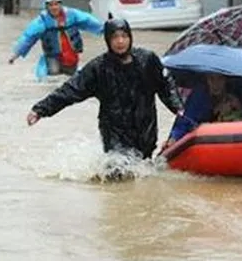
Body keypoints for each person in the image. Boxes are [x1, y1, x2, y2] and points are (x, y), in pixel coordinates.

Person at [26, 17, 183, 161]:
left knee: (143, 171)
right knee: (117, 170)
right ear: (108, 40)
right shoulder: (98, 68)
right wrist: (41, 109)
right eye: (115, 37)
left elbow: (166, 85)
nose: (120, 41)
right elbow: (70, 90)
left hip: (145, 129)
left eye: (124, 36)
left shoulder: (148, 60)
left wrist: (178, 107)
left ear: (130, 37)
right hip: (114, 132)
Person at [8, 0, 103, 81]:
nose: (54, 7)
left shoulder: (72, 15)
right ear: (46, 6)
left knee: (71, 79)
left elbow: (89, 21)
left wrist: (105, 30)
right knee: (54, 75)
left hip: (71, 56)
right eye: (51, 5)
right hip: (53, 57)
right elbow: (28, 38)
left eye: (56, 4)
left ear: (60, 4)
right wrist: (15, 55)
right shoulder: (41, 22)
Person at [163, 73, 242, 148]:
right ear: (206, 79)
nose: (216, 84)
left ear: (225, 79)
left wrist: (239, 107)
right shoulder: (199, 96)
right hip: (205, 137)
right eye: (211, 79)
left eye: (220, 79)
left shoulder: (236, 93)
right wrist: (173, 138)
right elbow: (185, 120)